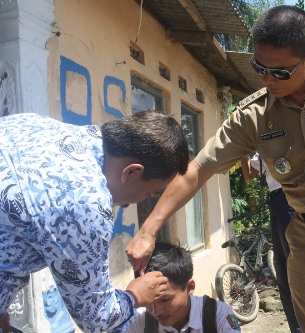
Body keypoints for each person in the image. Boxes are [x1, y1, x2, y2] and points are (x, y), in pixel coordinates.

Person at [126, 5, 305, 333]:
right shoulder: (253, 115)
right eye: (260, 68)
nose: (268, 79)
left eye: (279, 72)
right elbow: (198, 168)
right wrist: (148, 230)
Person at [0, 110, 189, 333]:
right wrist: (137, 294)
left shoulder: (34, 123)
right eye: (150, 193)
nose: (140, 201)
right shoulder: (85, 204)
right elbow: (97, 318)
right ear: (131, 172)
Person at [239, 154, 300, 333]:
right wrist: (243, 151)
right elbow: (249, 175)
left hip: (293, 197)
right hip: (277, 201)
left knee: (299, 271)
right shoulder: (262, 140)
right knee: (283, 272)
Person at [124, 241, 241, 333]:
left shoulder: (218, 315)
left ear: (189, 287)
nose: (156, 311)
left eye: (165, 300)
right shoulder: (138, 320)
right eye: (148, 300)